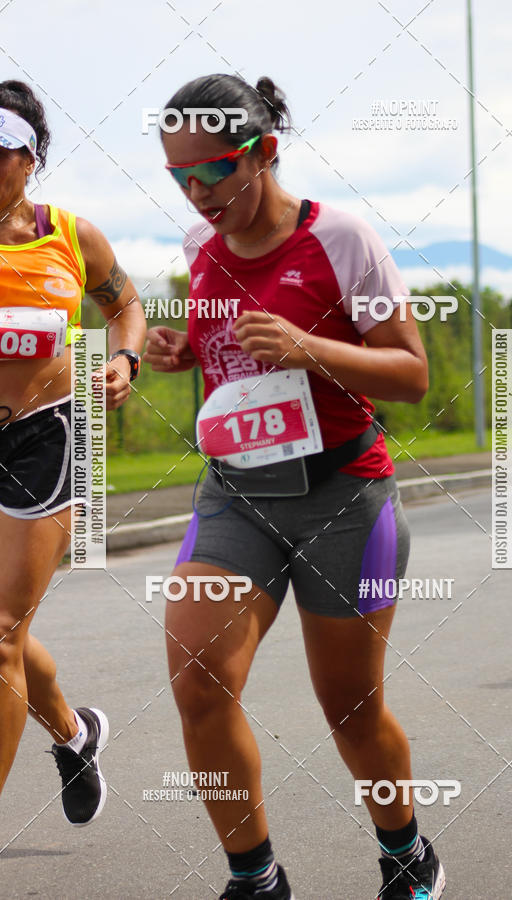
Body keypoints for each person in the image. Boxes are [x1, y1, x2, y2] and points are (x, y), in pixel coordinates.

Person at [145, 73, 445, 899]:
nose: (197, 192)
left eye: (212, 170)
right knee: (197, 682)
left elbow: (413, 375)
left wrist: (314, 348)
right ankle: (255, 877)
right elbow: (236, 367)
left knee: (351, 711)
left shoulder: (342, 237)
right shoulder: (198, 253)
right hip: (237, 494)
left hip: (345, 496)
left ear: (264, 152)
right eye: (179, 175)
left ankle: (405, 850)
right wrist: (184, 355)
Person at [0, 80, 146, 825]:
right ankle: (75, 734)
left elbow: (123, 305)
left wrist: (125, 360)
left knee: (1, 631)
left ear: (31, 159)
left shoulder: (71, 235)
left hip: (47, 438)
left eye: (1, 152)